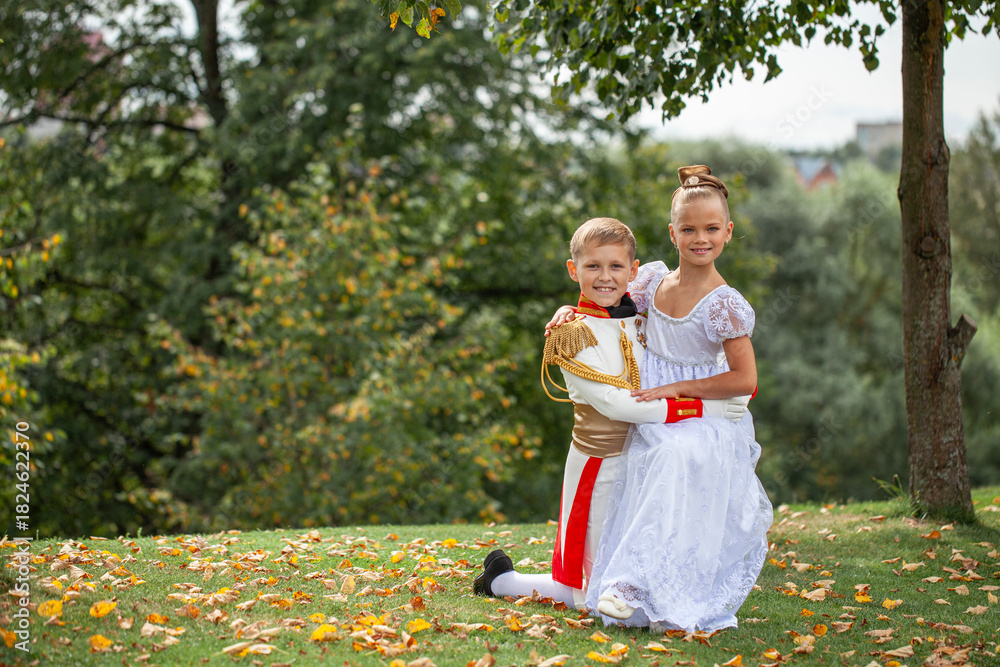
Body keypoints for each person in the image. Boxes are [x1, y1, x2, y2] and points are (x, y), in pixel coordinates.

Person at [472, 216, 749, 608]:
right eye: (593, 267)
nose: (605, 277)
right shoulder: (572, 334)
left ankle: (508, 579)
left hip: (642, 459)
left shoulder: (637, 318)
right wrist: (707, 407)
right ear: (574, 270)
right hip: (598, 465)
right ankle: (502, 581)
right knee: (590, 591)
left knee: (627, 566)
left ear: (632, 271)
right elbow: (619, 405)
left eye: (616, 267)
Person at [582, 165, 773, 633]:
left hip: (705, 417)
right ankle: (633, 588)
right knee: (651, 448)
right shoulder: (652, 283)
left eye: (711, 229)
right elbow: (604, 300)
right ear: (673, 233)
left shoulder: (723, 302)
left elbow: (745, 380)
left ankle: (628, 585)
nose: (699, 238)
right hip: (652, 407)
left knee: (672, 452)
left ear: (728, 232)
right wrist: (567, 316)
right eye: (689, 229)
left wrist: (676, 388)